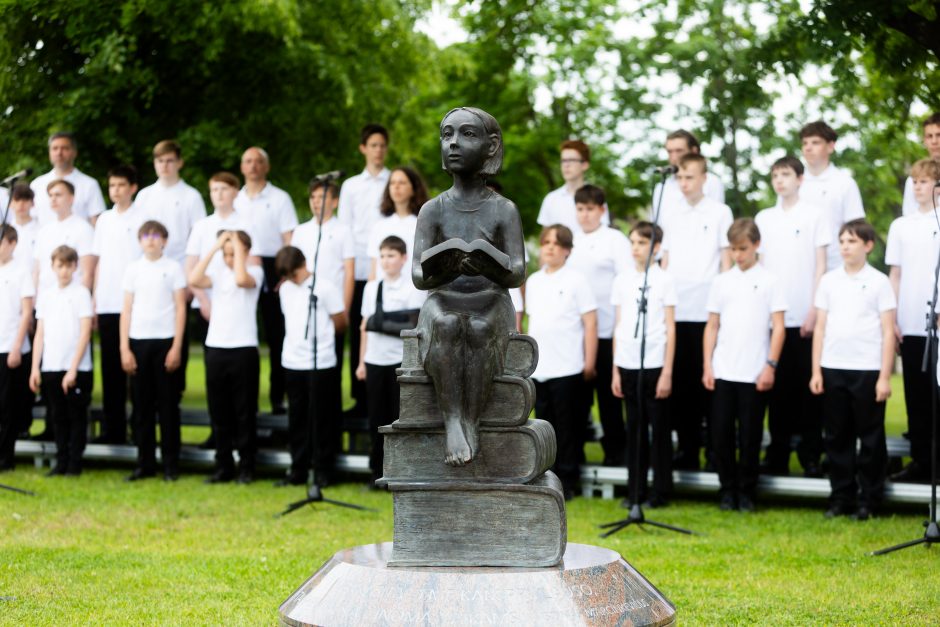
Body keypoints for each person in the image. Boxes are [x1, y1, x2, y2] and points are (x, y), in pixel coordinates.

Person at [412, 107, 526, 468]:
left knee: (477, 328)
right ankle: (452, 421)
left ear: (491, 146)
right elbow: (418, 273)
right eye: (447, 135)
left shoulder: (503, 209)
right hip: (444, 297)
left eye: (467, 134)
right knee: (446, 324)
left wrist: (488, 262)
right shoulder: (432, 209)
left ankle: (471, 419)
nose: (454, 143)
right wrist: (443, 269)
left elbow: (518, 270)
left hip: (490, 298)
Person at [810, 219, 896, 520]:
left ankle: (869, 498)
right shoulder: (829, 281)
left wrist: (884, 376)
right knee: (836, 436)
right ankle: (840, 497)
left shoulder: (879, 282)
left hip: (867, 369)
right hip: (833, 367)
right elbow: (820, 328)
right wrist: (816, 371)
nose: (845, 246)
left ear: (868, 246)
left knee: (870, 438)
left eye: (852, 241)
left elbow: (888, 331)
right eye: (842, 241)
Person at [702, 219, 786, 512]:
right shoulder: (722, 281)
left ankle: (747, 492)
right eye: (734, 249)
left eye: (744, 248)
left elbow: (779, 327)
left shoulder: (770, 281)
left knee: (750, 437)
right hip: (724, 370)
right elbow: (712, 325)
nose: (738, 254)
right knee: (721, 434)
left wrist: (770, 366)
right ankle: (727, 490)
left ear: (756, 246)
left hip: (754, 372)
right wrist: (707, 366)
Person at [755, 156, 830, 477]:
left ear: (800, 179)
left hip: (804, 316)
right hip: (773, 321)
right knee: (777, 392)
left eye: (785, 174)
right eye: (775, 175)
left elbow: (821, 265)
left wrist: (815, 309)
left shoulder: (815, 215)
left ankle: (811, 455)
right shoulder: (764, 218)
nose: (779, 180)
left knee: (809, 391)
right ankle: (777, 455)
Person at [660, 153, 733, 471]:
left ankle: (716, 454)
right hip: (678, 310)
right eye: (680, 177)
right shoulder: (671, 212)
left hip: (707, 310)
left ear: (705, 178)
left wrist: (724, 304)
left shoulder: (720, 212)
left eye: (689, 177)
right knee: (681, 386)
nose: (684, 183)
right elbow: (665, 259)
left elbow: (725, 258)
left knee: (708, 387)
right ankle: (687, 451)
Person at [526, 224, 598, 500]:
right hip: (541, 367)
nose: (550, 248)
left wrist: (589, 361)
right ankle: (546, 475)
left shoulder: (577, 280)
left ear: (567, 250)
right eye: (546, 243)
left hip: (568, 366)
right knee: (543, 426)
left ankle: (568, 479)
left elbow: (589, 323)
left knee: (568, 427)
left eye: (556, 244)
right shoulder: (534, 281)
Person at [189, 231, 264, 484]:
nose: (230, 259)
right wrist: (216, 246)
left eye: (235, 253)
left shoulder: (255, 272)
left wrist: (239, 248)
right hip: (217, 348)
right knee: (219, 412)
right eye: (227, 254)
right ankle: (223, 466)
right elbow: (194, 278)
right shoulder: (218, 275)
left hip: (243, 349)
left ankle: (247, 466)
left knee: (244, 412)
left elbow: (242, 279)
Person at [610, 221, 676, 507]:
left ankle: (660, 490)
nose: (635, 248)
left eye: (641, 243)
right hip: (627, 361)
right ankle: (634, 490)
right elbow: (618, 324)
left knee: (658, 429)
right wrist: (615, 368)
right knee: (634, 428)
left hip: (654, 363)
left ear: (656, 248)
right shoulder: (622, 279)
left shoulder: (664, 280)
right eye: (633, 243)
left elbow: (670, 328)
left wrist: (667, 372)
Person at [566, 184, 631, 466]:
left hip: (607, 332)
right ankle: (574, 456)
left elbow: (627, 283)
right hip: (576, 335)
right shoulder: (573, 242)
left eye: (590, 209)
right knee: (577, 402)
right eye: (580, 209)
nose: (585, 215)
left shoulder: (615, 240)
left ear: (602, 210)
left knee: (610, 401)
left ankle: (616, 456)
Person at [885, 158, 940, 484]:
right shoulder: (901, 226)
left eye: (924, 181)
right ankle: (921, 463)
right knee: (915, 397)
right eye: (914, 182)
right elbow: (896, 274)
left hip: (938, 325)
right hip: (910, 322)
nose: (917, 187)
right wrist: (892, 317)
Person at [120, 221, 187, 482]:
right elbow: (126, 310)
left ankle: (171, 464)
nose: (150, 240)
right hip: (138, 342)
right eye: (145, 235)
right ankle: (144, 463)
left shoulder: (173, 269)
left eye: (155, 235)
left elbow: (180, 308)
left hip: (165, 342)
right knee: (141, 407)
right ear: (139, 241)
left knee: (168, 406)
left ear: (164, 241)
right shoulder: (133, 270)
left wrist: (176, 347)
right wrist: (125, 348)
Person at [275, 246, 347, 487]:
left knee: (321, 418)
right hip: (292, 361)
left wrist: (323, 339)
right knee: (297, 418)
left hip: (320, 361)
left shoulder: (324, 287)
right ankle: (298, 469)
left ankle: (323, 470)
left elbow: (340, 322)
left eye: (294, 274)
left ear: (304, 265)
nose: (291, 280)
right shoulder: (285, 289)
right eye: (287, 277)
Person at [356, 236, 426, 483]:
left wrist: (384, 323)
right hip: (375, 359)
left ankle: (402, 471)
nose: (386, 261)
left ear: (404, 258)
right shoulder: (372, 287)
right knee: (376, 417)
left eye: (392, 256)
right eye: (383, 256)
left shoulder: (412, 289)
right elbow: (366, 326)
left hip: (400, 361)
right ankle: (377, 470)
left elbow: (412, 324)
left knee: (400, 418)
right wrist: (362, 362)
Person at [234, 147, 299, 414]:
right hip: (242, 265)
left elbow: (289, 239)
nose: (253, 166)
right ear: (242, 167)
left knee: (277, 335)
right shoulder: (235, 200)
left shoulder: (280, 198)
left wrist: (286, 274)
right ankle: (241, 399)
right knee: (242, 334)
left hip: (274, 267)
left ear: (266, 167)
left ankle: (277, 398)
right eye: (247, 161)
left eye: (258, 161)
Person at [338, 124, 391, 417]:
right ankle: (360, 397)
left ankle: (387, 394)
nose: (378, 150)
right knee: (359, 334)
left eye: (382, 145)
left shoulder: (392, 181)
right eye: (373, 145)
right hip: (357, 268)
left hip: (385, 269)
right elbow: (345, 227)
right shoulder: (351, 186)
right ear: (363, 148)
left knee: (384, 330)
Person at [91, 165, 145, 445]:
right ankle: (114, 430)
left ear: (132, 187)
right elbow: (99, 261)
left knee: (135, 370)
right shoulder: (103, 221)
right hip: (109, 302)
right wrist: (95, 298)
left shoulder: (144, 219)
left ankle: (140, 430)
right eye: (112, 186)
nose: (116, 191)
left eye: (121, 185)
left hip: (136, 304)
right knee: (111, 369)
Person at [28, 245, 93, 476]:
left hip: (76, 367)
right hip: (52, 366)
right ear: (53, 267)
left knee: (76, 417)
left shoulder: (82, 294)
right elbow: (40, 334)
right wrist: (35, 367)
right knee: (57, 416)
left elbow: (85, 333)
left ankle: (75, 462)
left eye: (68, 265)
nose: (64, 271)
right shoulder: (46, 295)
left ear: (75, 267)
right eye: (60, 265)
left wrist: (73, 369)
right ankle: (61, 460)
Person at [291, 180, 355, 370]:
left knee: (331, 363)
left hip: (332, 307)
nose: (316, 201)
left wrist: (344, 309)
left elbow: (349, 273)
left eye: (322, 197)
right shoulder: (300, 231)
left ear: (334, 202)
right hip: (304, 305)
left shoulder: (343, 231)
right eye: (313, 197)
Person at [184, 172, 258, 322]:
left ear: (236, 192)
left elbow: (254, 264)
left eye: (224, 189)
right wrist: (203, 300)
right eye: (214, 189)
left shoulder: (248, 224)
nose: (219, 194)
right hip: (206, 299)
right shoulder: (201, 226)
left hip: (238, 300)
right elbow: (190, 267)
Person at [798, 121, 865, 271]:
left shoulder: (845, 183)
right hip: (798, 267)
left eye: (815, 142)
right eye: (805, 143)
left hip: (836, 267)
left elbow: (857, 229)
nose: (808, 148)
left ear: (830, 146)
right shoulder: (794, 184)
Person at [133, 139, 207, 265]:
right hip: (148, 266)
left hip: (181, 265)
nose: (164, 165)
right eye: (160, 161)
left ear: (179, 163)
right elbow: (138, 232)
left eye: (169, 161)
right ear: (154, 163)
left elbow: (200, 236)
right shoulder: (144, 195)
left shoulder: (192, 196)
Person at [0, 225, 35, 471]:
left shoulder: (22, 272)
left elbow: (25, 314)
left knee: (7, 405)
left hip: (11, 347)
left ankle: (6, 457)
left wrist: (16, 347)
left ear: (12, 243)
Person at [29, 132, 106, 226]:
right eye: (55, 148)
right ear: (49, 152)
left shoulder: (89, 184)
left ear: (74, 152)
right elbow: (31, 220)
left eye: (64, 148)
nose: (59, 153)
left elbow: (97, 223)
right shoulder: (36, 184)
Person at [367, 166, 428, 280]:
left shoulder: (423, 225)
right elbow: (373, 271)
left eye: (402, 183)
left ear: (414, 189)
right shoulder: (379, 226)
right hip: (384, 293)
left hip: (413, 292)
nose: (396, 187)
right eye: (392, 183)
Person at [651, 129, 725, 222]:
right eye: (669, 152)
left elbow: (716, 220)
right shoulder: (662, 187)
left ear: (694, 151)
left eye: (679, 151)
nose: (674, 157)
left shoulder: (711, 182)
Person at [536, 139, 609, 233]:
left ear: (585, 165)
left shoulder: (596, 197)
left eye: (571, 160)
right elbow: (545, 239)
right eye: (563, 160)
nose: (566, 165)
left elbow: (604, 234)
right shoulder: (551, 199)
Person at [901, 113, 940, 216]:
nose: (934, 141)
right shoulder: (913, 180)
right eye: (929, 136)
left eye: (938, 135)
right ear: (924, 140)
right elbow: (910, 218)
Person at [6, 185, 39, 269]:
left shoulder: (43, 230)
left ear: (32, 203)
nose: (21, 204)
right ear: (10, 203)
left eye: (25, 200)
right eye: (17, 200)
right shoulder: (3, 232)